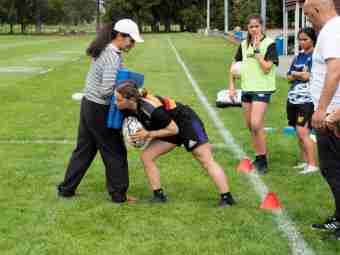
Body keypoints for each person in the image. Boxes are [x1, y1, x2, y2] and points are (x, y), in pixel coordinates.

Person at [57, 19, 144, 203]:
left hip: (88, 105)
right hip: (100, 109)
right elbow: (106, 91)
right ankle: (119, 195)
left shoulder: (104, 50)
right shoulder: (112, 56)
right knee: (115, 151)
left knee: (84, 150)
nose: (133, 44)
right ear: (120, 36)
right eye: (132, 40)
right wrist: (130, 92)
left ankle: (66, 189)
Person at [115, 82, 236, 208]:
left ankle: (227, 198)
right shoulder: (130, 106)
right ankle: (158, 196)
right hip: (168, 126)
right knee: (147, 157)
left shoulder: (151, 109)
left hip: (186, 123)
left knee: (205, 160)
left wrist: (148, 134)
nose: (115, 103)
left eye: (118, 100)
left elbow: (174, 130)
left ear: (131, 99)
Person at [304, 0, 340, 240]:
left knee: (333, 169)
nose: (309, 21)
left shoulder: (331, 30)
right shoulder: (333, 30)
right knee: (331, 169)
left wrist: (322, 109)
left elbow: (335, 69)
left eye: (308, 16)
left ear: (317, 10)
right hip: (332, 113)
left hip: (332, 116)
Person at [228, 14, 279, 175]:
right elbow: (234, 65)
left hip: (262, 89)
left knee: (256, 124)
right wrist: (231, 86)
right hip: (247, 88)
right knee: (251, 126)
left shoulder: (270, 44)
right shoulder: (243, 44)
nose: (254, 29)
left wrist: (257, 52)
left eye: (257, 26)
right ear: (247, 29)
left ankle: (263, 160)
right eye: (251, 27)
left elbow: (266, 68)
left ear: (262, 26)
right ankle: (258, 156)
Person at [286, 27, 318, 174]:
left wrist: (296, 74)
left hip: (306, 100)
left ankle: (312, 164)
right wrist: (298, 74)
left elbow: (308, 77)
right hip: (293, 98)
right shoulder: (298, 57)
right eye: (300, 39)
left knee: (303, 130)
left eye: (305, 39)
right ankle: (304, 160)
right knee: (297, 131)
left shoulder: (316, 56)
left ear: (312, 40)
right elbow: (288, 77)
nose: (302, 42)